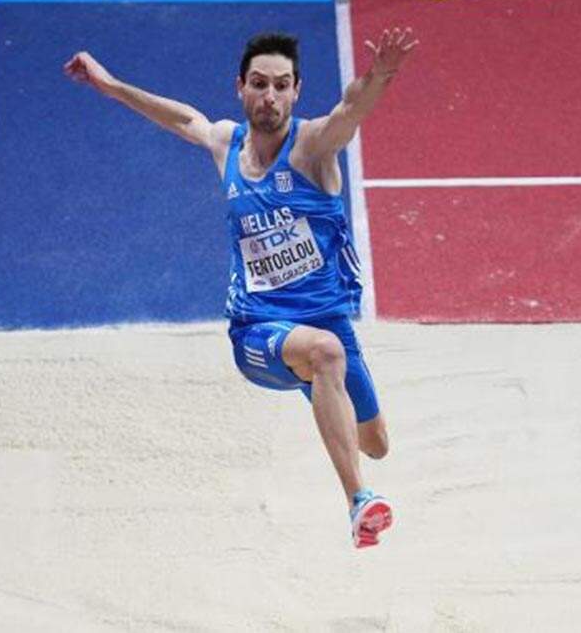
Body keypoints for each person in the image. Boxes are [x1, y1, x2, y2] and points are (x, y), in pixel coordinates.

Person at [63, 28, 417, 548]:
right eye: (259, 84)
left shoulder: (313, 148)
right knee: (325, 354)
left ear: (296, 91)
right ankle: (359, 502)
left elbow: (350, 110)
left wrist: (381, 74)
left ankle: (315, 381)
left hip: (326, 321)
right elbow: (183, 118)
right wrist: (111, 85)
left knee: (376, 441)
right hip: (257, 331)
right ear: (241, 87)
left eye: (281, 85)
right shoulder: (226, 144)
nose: (269, 96)